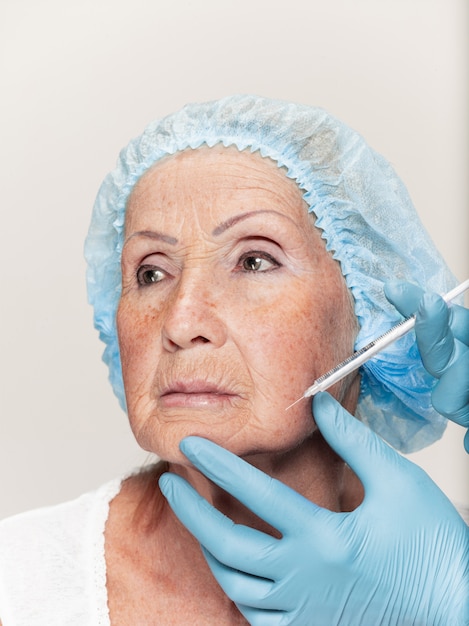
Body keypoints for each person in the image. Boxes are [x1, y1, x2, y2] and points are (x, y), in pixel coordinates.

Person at [0, 95, 467, 625]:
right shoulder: (15, 582)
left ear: (368, 317)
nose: (180, 322)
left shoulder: (449, 578)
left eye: (254, 260)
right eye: (151, 273)